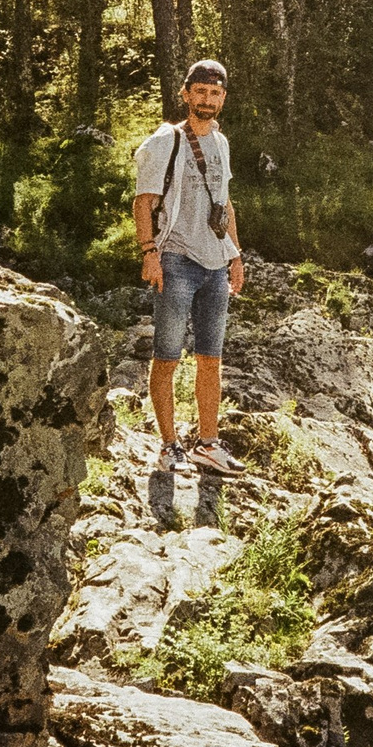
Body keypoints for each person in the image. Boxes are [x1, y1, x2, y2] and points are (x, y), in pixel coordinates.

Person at [132, 59, 249, 477]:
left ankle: (208, 444)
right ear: (185, 94)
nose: (207, 100)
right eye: (200, 92)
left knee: (210, 359)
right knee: (166, 356)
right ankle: (168, 445)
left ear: (223, 99)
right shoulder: (168, 142)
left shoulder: (222, 143)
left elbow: (225, 204)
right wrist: (150, 252)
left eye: (215, 93)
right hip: (176, 260)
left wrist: (235, 255)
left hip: (216, 264)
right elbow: (143, 201)